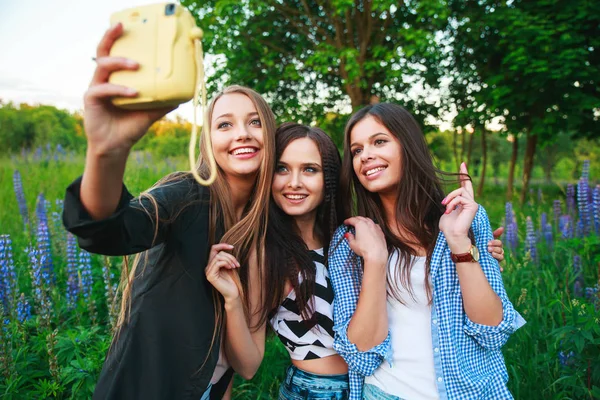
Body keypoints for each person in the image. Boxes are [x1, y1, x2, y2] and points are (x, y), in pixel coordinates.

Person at [205, 123, 507, 399]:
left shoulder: (352, 235)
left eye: (310, 169)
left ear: (330, 179)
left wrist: (475, 253)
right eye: (282, 169)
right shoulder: (266, 253)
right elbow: (247, 366)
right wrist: (232, 300)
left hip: (371, 385)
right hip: (318, 390)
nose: (294, 182)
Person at [62, 23, 277, 400]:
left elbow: (247, 366)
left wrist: (232, 298)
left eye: (254, 122)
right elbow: (109, 230)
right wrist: (106, 151)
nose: (242, 133)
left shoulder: (263, 229)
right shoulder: (189, 195)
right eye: (224, 124)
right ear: (208, 142)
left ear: (270, 136)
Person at [328, 103, 525, 400]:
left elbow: (492, 331)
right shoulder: (350, 241)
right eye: (356, 150)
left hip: (472, 393)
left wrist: (459, 242)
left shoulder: (464, 218)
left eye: (379, 141)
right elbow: (362, 357)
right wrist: (376, 261)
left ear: (408, 145)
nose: (365, 155)